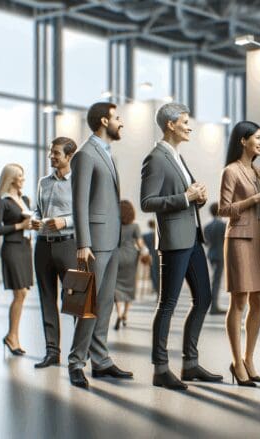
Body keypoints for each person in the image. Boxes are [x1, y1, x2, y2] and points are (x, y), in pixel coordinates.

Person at [141, 102, 222, 390]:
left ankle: (190, 363)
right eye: (185, 121)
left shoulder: (176, 155)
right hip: (174, 242)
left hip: (193, 237)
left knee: (204, 298)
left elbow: (184, 195)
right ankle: (160, 369)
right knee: (168, 304)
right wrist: (186, 197)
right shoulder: (156, 158)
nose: (190, 126)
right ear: (171, 124)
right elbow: (147, 202)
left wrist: (197, 196)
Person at [68, 102, 132, 388]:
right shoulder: (84, 154)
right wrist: (84, 242)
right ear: (104, 120)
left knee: (105, 303)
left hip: (112, 239)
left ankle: (101, 360)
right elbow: (79, 202)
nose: (122, 123)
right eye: (118, 118)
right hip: (94, 242)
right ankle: (75, 362)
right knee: (87, 305)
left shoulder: (108, 154)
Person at [218, 121, 260, 386]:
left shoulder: (259, 171)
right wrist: (255, 199)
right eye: (258, 137)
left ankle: (249, 359)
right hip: (240, 238)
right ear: (243, 141)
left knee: (259, 301)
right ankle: (236, 362)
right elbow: (223, 209)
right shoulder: (230, 171)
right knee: (239, 302)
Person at [32, 137, 78, 368]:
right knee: (46, 298)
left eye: (56, 153)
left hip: (68, 245)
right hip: (42, 245)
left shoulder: (79, 182)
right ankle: (52, 351)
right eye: (51, 152)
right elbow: (37, 210)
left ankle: (79, 353)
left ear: (69, 157)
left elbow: (86, 215)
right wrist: (33, 220)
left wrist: (65, 221)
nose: (51, 156)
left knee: (76, 301)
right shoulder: (43, 182)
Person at [0, 163, 37, 356]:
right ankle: (12, 337)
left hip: (26, 248)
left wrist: (32, 225)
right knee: (19, 293)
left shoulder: (24, 199)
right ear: (11, 178)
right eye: (20, 176)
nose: (23, 179)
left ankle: (12, 336)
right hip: (11, 248)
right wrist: (20, 226)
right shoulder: (3, 202)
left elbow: (28, 223)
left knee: (22, 294)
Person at [113, 200, 148, 330]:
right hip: (131, 257)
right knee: (129, 285)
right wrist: (146, 253)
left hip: (116, 256)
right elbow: (140, 243)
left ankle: (119, 312)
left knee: (116, 286)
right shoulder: (135, 227)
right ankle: (125, 315)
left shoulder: (115, 225)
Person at [203, 202, 226, 314]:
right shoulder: (223, 225)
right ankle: (213, 306)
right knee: (216, 281)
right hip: (220, 255)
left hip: (211, 255)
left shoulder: (207, 226)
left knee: (215, 280)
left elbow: (206, 242)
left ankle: (213, 305)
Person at [142, 219, 159, 293]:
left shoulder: (145, 236)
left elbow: (143, 246)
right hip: (160, 255)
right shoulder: (159, 234)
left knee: (153, 273)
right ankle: (159, 289)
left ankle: (156, 288)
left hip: (151, 256)